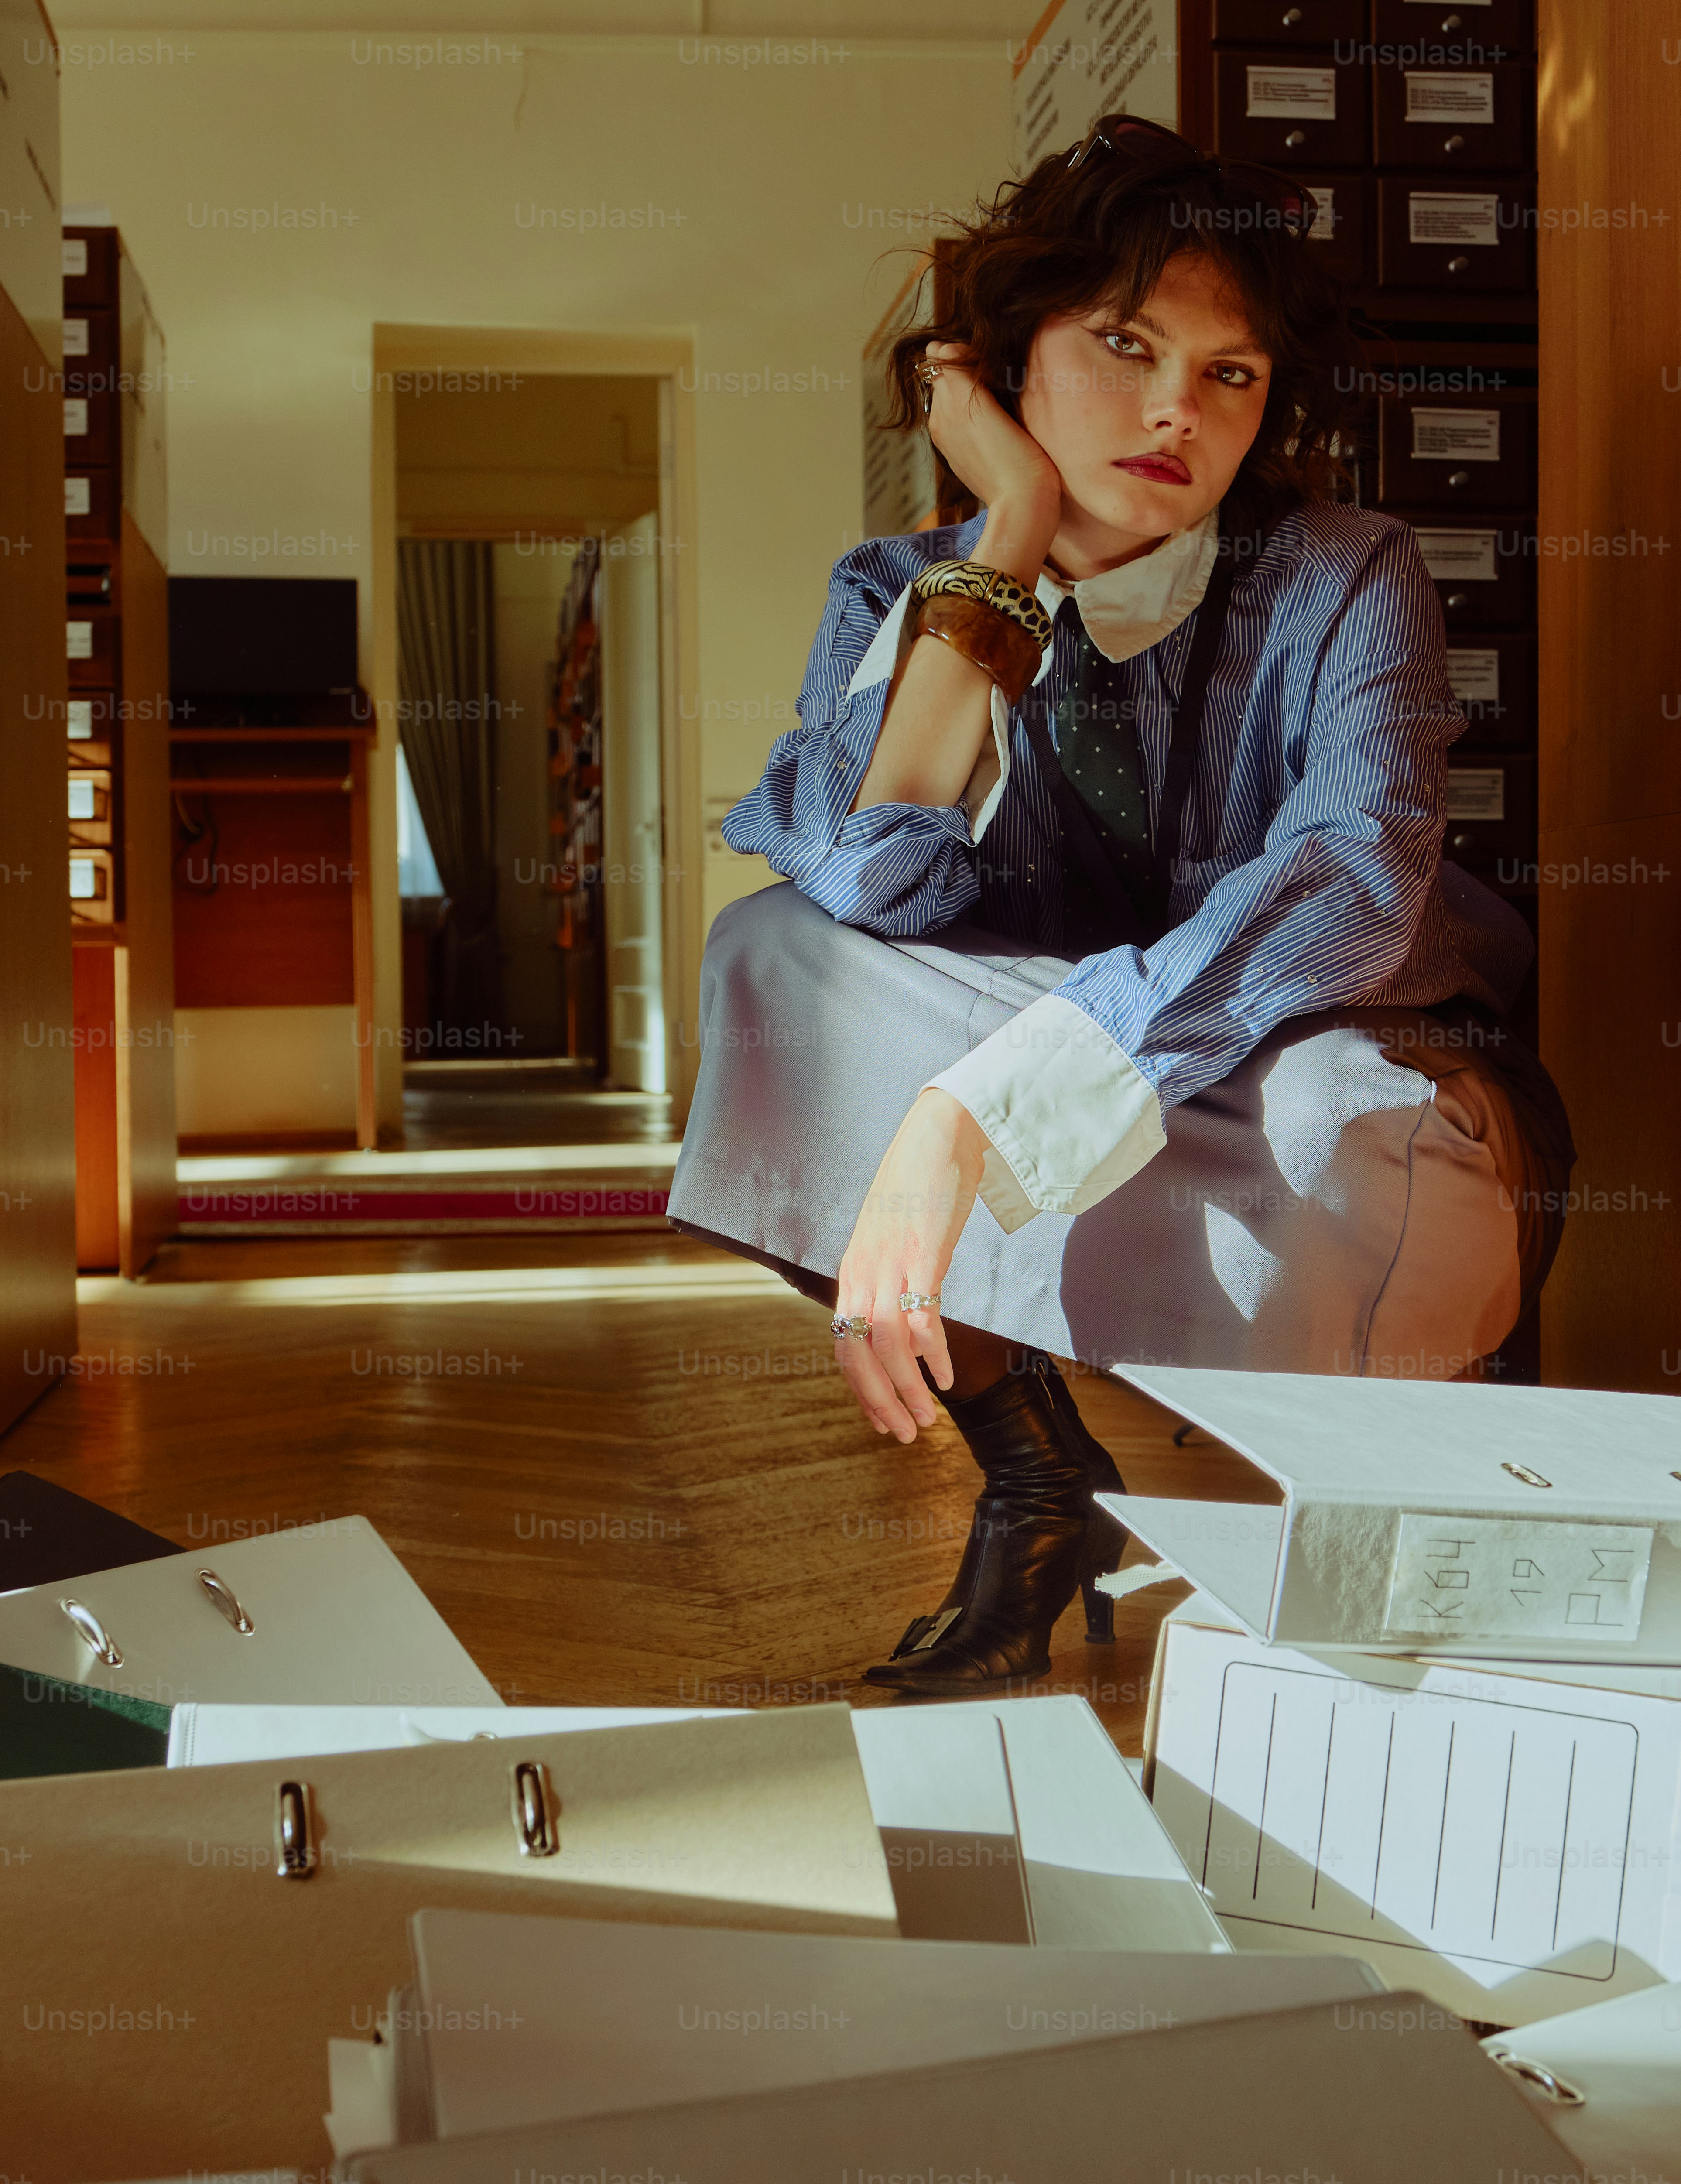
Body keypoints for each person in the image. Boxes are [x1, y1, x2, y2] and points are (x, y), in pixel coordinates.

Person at [667, 116, 1573, 1694]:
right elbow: (875, 881)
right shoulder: (898, 588)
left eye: (1230, 373)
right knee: (773, 966)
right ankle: (1039, 1483)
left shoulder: (1347, 571)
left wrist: (970, 1116)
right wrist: (1008, 534)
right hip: (1086, 1082)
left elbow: (1354, 882)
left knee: (1332, 1124)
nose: (1177, 410)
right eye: (1127, 344)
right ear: (1010, 361)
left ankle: (1393, 1535)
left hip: (1339, 1085)